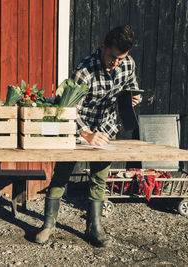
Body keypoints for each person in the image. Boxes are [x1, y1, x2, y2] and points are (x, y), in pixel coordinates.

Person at [35, 25, 142, 247]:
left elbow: (131, 86)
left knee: (99, 177)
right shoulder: (84, 70)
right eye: (112, 57)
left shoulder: (127, 64)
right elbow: (68, 108)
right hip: (77, 126)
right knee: (62, 174)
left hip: (106, 127)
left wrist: (133, 97)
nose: (116, 64)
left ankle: (94, 227)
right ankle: (48, 224)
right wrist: (85, 133)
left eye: (121, 59)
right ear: (102, 47)